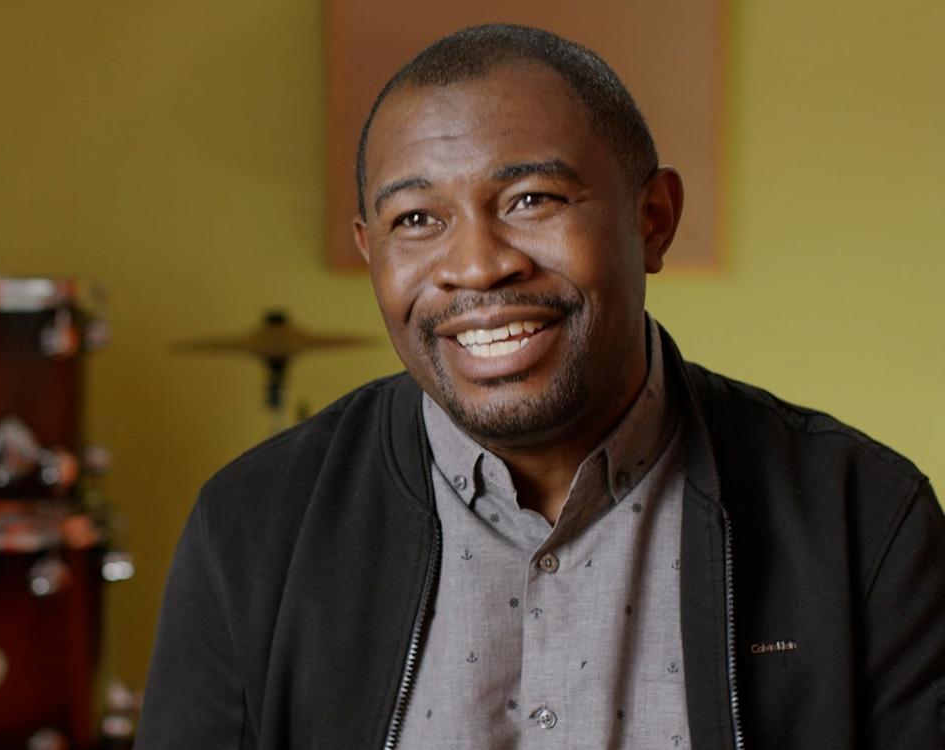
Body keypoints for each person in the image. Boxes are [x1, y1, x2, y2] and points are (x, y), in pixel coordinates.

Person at [135, 24, 945, 750]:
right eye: (416, 219)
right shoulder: (251, 527)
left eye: (532, 199)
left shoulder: (863, 516)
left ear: (653, 218)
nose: (478, 265)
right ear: (370, 250)